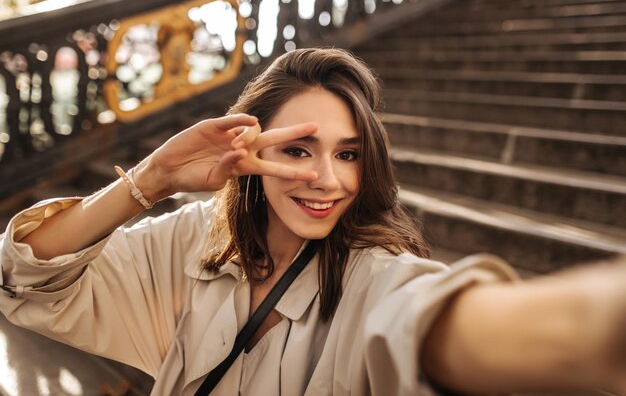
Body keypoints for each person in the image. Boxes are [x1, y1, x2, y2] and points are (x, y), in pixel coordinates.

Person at [0, 47, 624, 396]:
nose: (327, 179)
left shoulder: (375, 278)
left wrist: (585, 326)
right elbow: (28, 278)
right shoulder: (193, 240)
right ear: (252, 149)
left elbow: (428, 322)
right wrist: (152, 179)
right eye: (298, 149)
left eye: (348, 154)